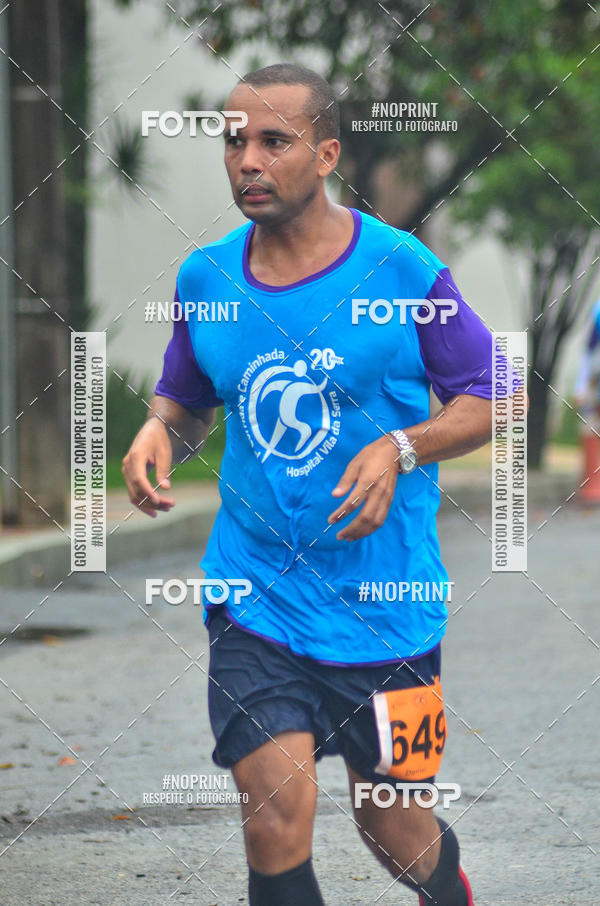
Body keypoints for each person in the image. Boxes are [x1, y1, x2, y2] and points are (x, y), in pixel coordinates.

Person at [122, 63, 495, 906]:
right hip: (255, 596)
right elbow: (185, 398)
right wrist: (157, 430)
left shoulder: (402, 269)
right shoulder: (205, 281)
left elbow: (492, 397)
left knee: (394, 827)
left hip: (388, 604)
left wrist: (403, 444)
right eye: (234, 142)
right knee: (275, 814)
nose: (247, 160)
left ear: (325, 154)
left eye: (273, 142)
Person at [574, 298, 600, 503]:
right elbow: (588, 352)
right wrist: (581, 386)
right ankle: (592, 482)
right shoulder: (598, 311)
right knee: (590, 428)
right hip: (594, 383)